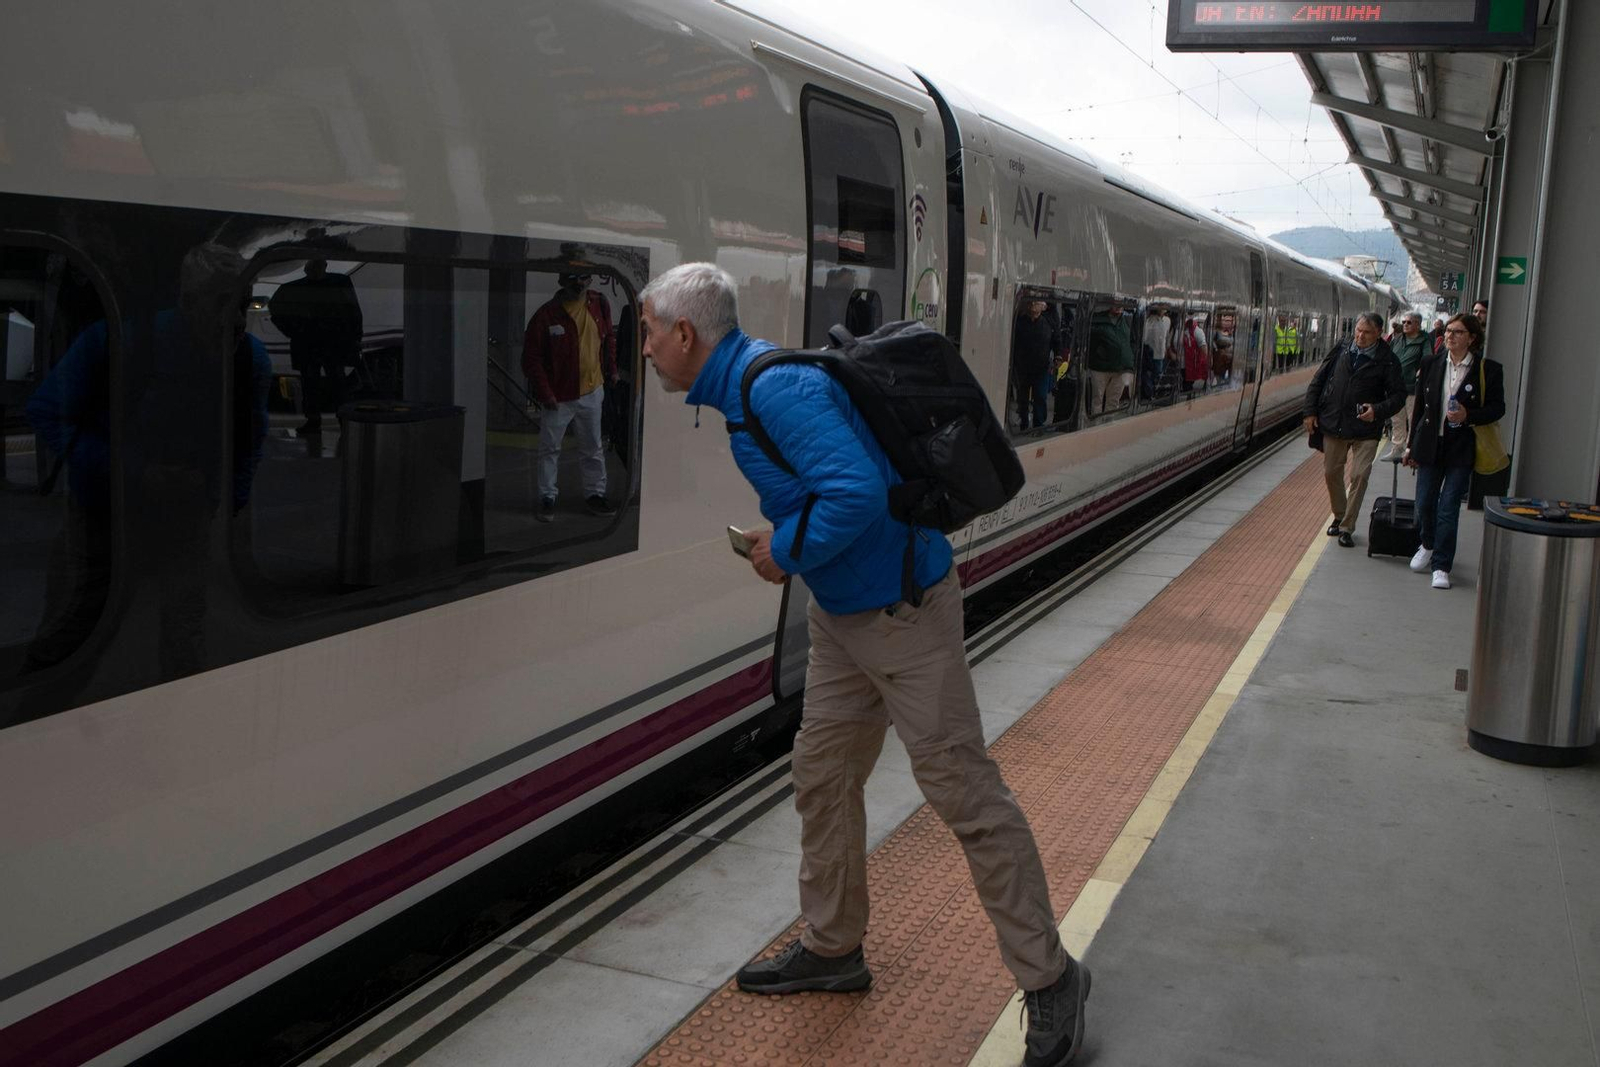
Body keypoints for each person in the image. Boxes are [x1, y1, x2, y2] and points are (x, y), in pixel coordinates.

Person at [639, 263, 1090, 1067]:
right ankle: (834, 945)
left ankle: (1051, 976)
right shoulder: (744, 390)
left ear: (684, 335)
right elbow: (834, 487)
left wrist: (785, 548)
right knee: (821, 772)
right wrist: (792, 539)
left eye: (647, 333)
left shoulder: (771, 392)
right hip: (846, 617)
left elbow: (852, 494)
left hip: (903, 613)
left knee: (963, 789)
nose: (642, 350)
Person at [1403, 313, 1505, 590]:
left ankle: (1442, 565)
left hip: (1462, 449)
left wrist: (1468, 415)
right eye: (1448, 331)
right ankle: (1427, 543)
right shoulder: (1432, 363)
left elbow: (1498, 408)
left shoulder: (1488, 370)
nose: (1450, 336)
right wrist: (1411, 444)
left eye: (1458, 332)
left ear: (1472, 338)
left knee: (1448, 507)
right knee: (1424, 502)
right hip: (1429, 445)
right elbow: (1420, 408)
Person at [522, 271, 619, 521]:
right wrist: (546, 394)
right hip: (558, 398)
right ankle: (547, 497)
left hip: (593, 391)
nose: (578, 283)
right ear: (561, 281)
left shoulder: (599, 304)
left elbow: (608, 339)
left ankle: (595, 494)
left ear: (590, 279)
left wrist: (612, 370)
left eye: (584, 277)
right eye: (572, 277)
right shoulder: (546, 315)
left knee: (593, 447)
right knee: (549, 448)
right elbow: (531, 359)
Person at [1303, 312, 1406, 547]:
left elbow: (1399, 396)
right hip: (1335, 423)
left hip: (1366, 428)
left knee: (1359, 475)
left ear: (1379, 334)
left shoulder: (1388, 360)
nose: (1360, 335)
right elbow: (1318, 380)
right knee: (1331, 472)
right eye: (1358, 330)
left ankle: (1347, 526)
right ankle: (1339, 514)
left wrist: (1377, 410)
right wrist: (1309, 412)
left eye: (1367, 332)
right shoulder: (1342, 349)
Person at [267, 258, 362, 434]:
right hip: (324, 344)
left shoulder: (293, 288)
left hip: (318, 344)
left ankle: (322, 420)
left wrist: (293, 331)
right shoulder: (338, 283)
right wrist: (355, 338)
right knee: (327, 383)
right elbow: (353, 312)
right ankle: (336, 421)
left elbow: (353, 312)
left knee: (323, 383)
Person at [1378, 312, 1429, 463]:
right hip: (1395, 387)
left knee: (1412, 418)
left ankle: (1410, 448)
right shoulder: (1398, 339)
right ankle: (1397, 447)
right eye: (1404, 322)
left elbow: (1427, 360)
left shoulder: (1424, 341)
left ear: (1418, 325)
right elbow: (1388, 357)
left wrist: (1419, 373)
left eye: (1409, 322)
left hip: (1413, 388)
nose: (1405, 325)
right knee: (1397, 419)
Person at [1010, 299, 1054, 432]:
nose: (1034, 305)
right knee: (1022, 397)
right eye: (1032, 303)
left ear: (1043, 307)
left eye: (1038, 303)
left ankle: (1038, 425)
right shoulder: (1020, 321)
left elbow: (1056, 338)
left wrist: (1057, 355)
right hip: (1023, 366)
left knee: (1040, 396)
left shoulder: (1048, 322)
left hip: (1041, 367)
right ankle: (1024, 421)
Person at [1086, 302, 1134, 415]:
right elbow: (1090, 341)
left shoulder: (1128, 320)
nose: (1118, 307)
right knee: (1097, 399)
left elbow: (1133, 342)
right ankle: (1096, 427)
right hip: (1099, 368)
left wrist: (1131, 361)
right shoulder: (1097, 319)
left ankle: (1108, 427)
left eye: (1121, 304)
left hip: (1121, 368)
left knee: (1113, 401)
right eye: (1116, 304)